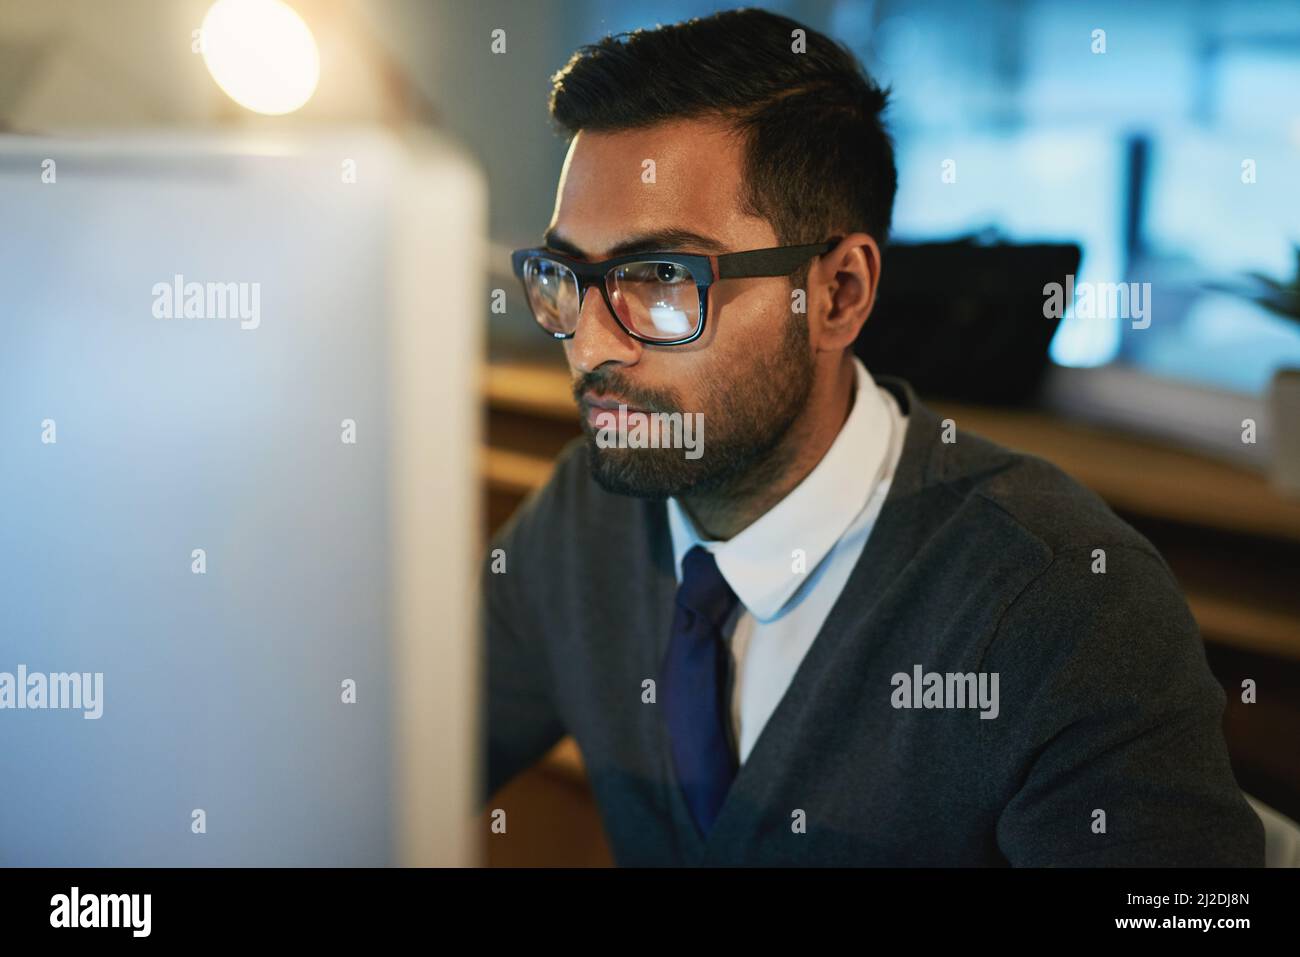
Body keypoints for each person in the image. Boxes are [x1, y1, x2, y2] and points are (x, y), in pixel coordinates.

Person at [482, 7, 1264, 866]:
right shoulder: (586, 513)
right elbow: (406, 746)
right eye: (566, 276)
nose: (590, 344)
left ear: (839, 294)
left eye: (663, 278)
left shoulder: (1062, 606)